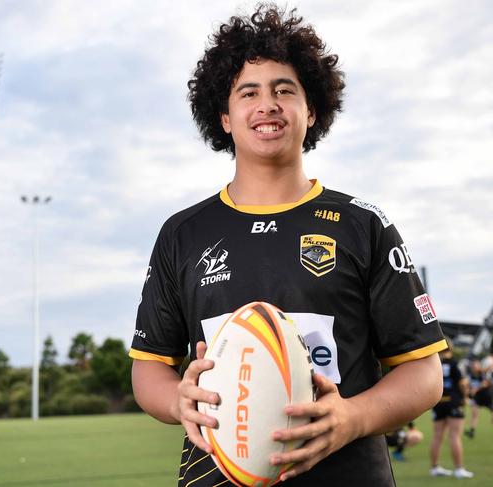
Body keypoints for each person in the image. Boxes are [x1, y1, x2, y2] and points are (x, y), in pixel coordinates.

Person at [129, 5, 447, 486]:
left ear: (312, 109)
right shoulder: (183, 233)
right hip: (214, 475)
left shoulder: (362, 224)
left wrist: (353, 418)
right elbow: (150, 371)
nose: (267, 104)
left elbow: (424, 373)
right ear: (225, 117)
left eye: (285, 90)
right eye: (248, 92)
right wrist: (178, 400)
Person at [429, 344, 474, 479]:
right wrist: (466, 397)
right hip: (453, 402)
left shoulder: (433, 364)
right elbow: (463, 383)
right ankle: (459, 469)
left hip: (438, 402)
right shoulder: (455, 363)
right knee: (455, 436)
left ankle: (435, 467)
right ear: (451, 348)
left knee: (437, 436)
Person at [464, 358, 492, 439]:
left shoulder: (482, 373)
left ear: (479, 366)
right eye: (473, 365)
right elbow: (468, 385)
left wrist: (476, 389)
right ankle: (472, 431)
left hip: (486, 396)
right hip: (477, 398)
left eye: (476, 365)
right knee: (474, 414)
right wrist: (466, 394)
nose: (474, 367)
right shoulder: (471, 375)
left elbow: (486, 383)